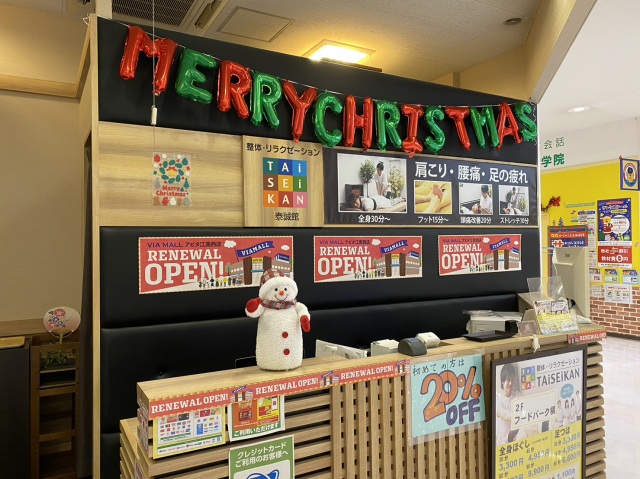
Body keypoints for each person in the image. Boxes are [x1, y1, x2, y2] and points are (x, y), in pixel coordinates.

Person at [496, 363, 520, 445]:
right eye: (508, 380)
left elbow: (526, 410)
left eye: (512, 379)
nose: (510, 383)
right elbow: (505, 414)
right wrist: (520, 417)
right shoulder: (498, 400)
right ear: (502, 381)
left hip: (516, 442)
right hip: (501, 444)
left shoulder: (517, 396)